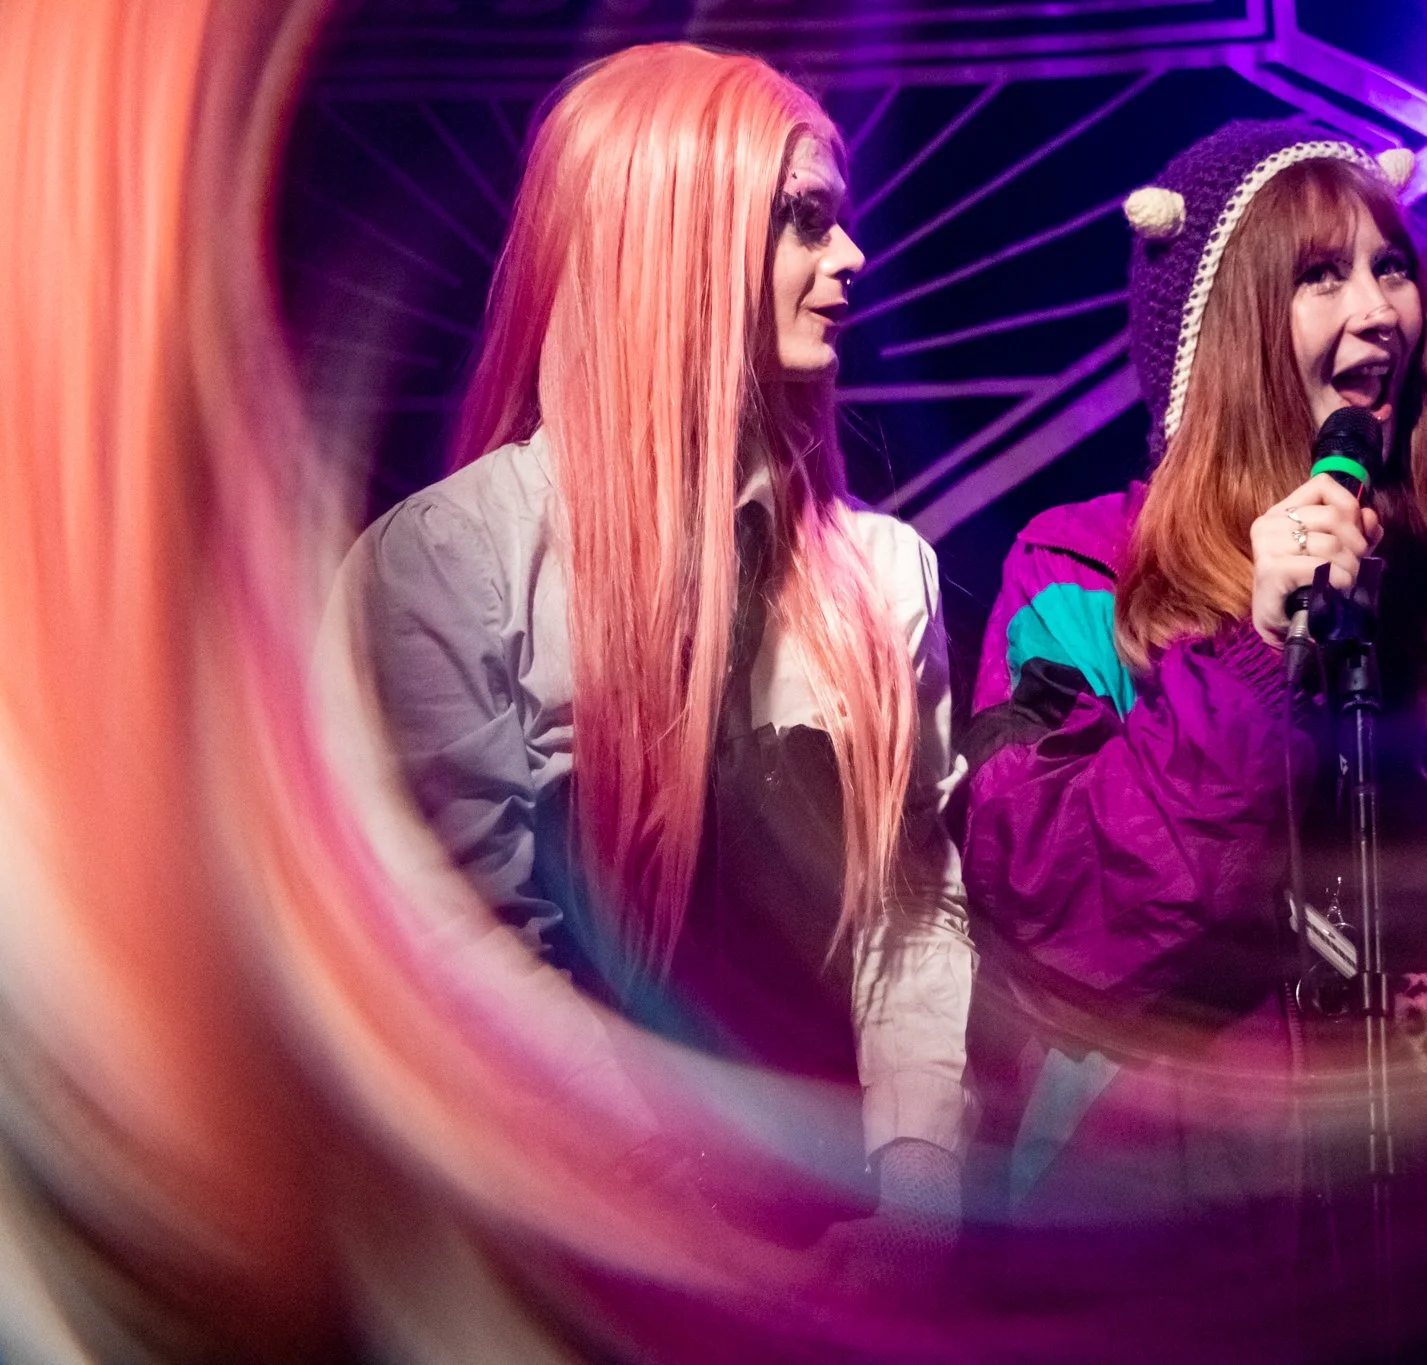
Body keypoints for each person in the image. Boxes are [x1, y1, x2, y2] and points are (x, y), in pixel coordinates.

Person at [957, 120, 1427, 1362]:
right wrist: (1250, 660)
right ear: (1226, 325)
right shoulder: (1081, 569)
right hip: (1180, 1262)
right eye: (1319, 276)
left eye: (1390, 268)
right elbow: (1051, 909)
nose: (1378, 312)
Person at [337, 43, 974, 1283]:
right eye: (799, 222)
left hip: (845, 1264)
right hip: (564, 1254)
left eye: (836, 221)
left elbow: (911, 912)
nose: (849, 262)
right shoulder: (450, 568)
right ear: (669, 236)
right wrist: (698, 1219)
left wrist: (917, 1199)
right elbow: (459, 952)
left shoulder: (885, 574)